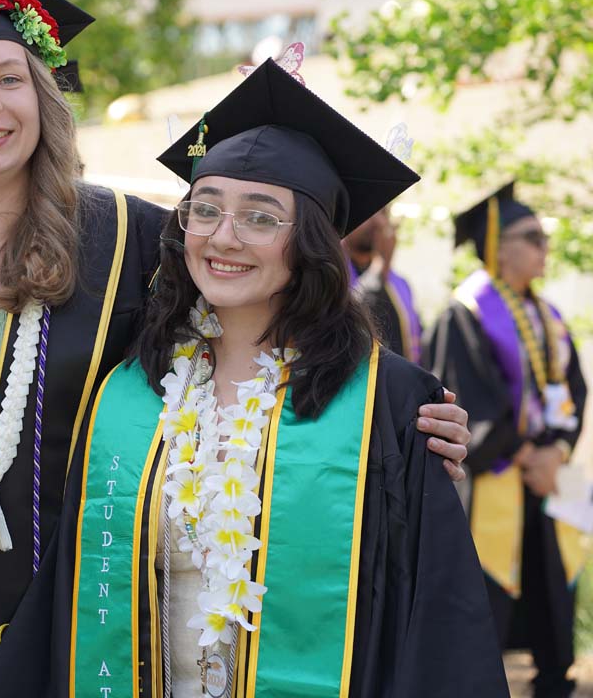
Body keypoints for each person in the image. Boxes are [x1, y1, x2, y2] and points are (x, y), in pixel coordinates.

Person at [0, 0, 475, 698]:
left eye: (10, 78)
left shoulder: (130, 239)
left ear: (44, 96)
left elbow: (260, 314)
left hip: (79, 634)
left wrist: (396, 416)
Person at [34, 58, 507, 697]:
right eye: (206, 210)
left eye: (260, 217)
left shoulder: (385, 403)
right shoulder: (131, 386)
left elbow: (433, 625)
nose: (224, 237)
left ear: (309, 241)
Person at [426, 182, 586, 698]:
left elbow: (574, 390)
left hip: (543, 480)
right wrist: (523, 452)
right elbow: (466, 395)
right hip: (491, 482)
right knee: (487, 601)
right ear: (498, 246)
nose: (544, 247)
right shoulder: (466, 312)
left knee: (552, 599)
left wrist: (556, 450)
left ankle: (554, 681)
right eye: (532, 237)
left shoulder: (547, 315)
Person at [344, 204, 423, 362]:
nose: (379, 222)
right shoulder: (331, 275)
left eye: (384, 213)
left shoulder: (401, 285)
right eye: (370, 213)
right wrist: (380, 267)